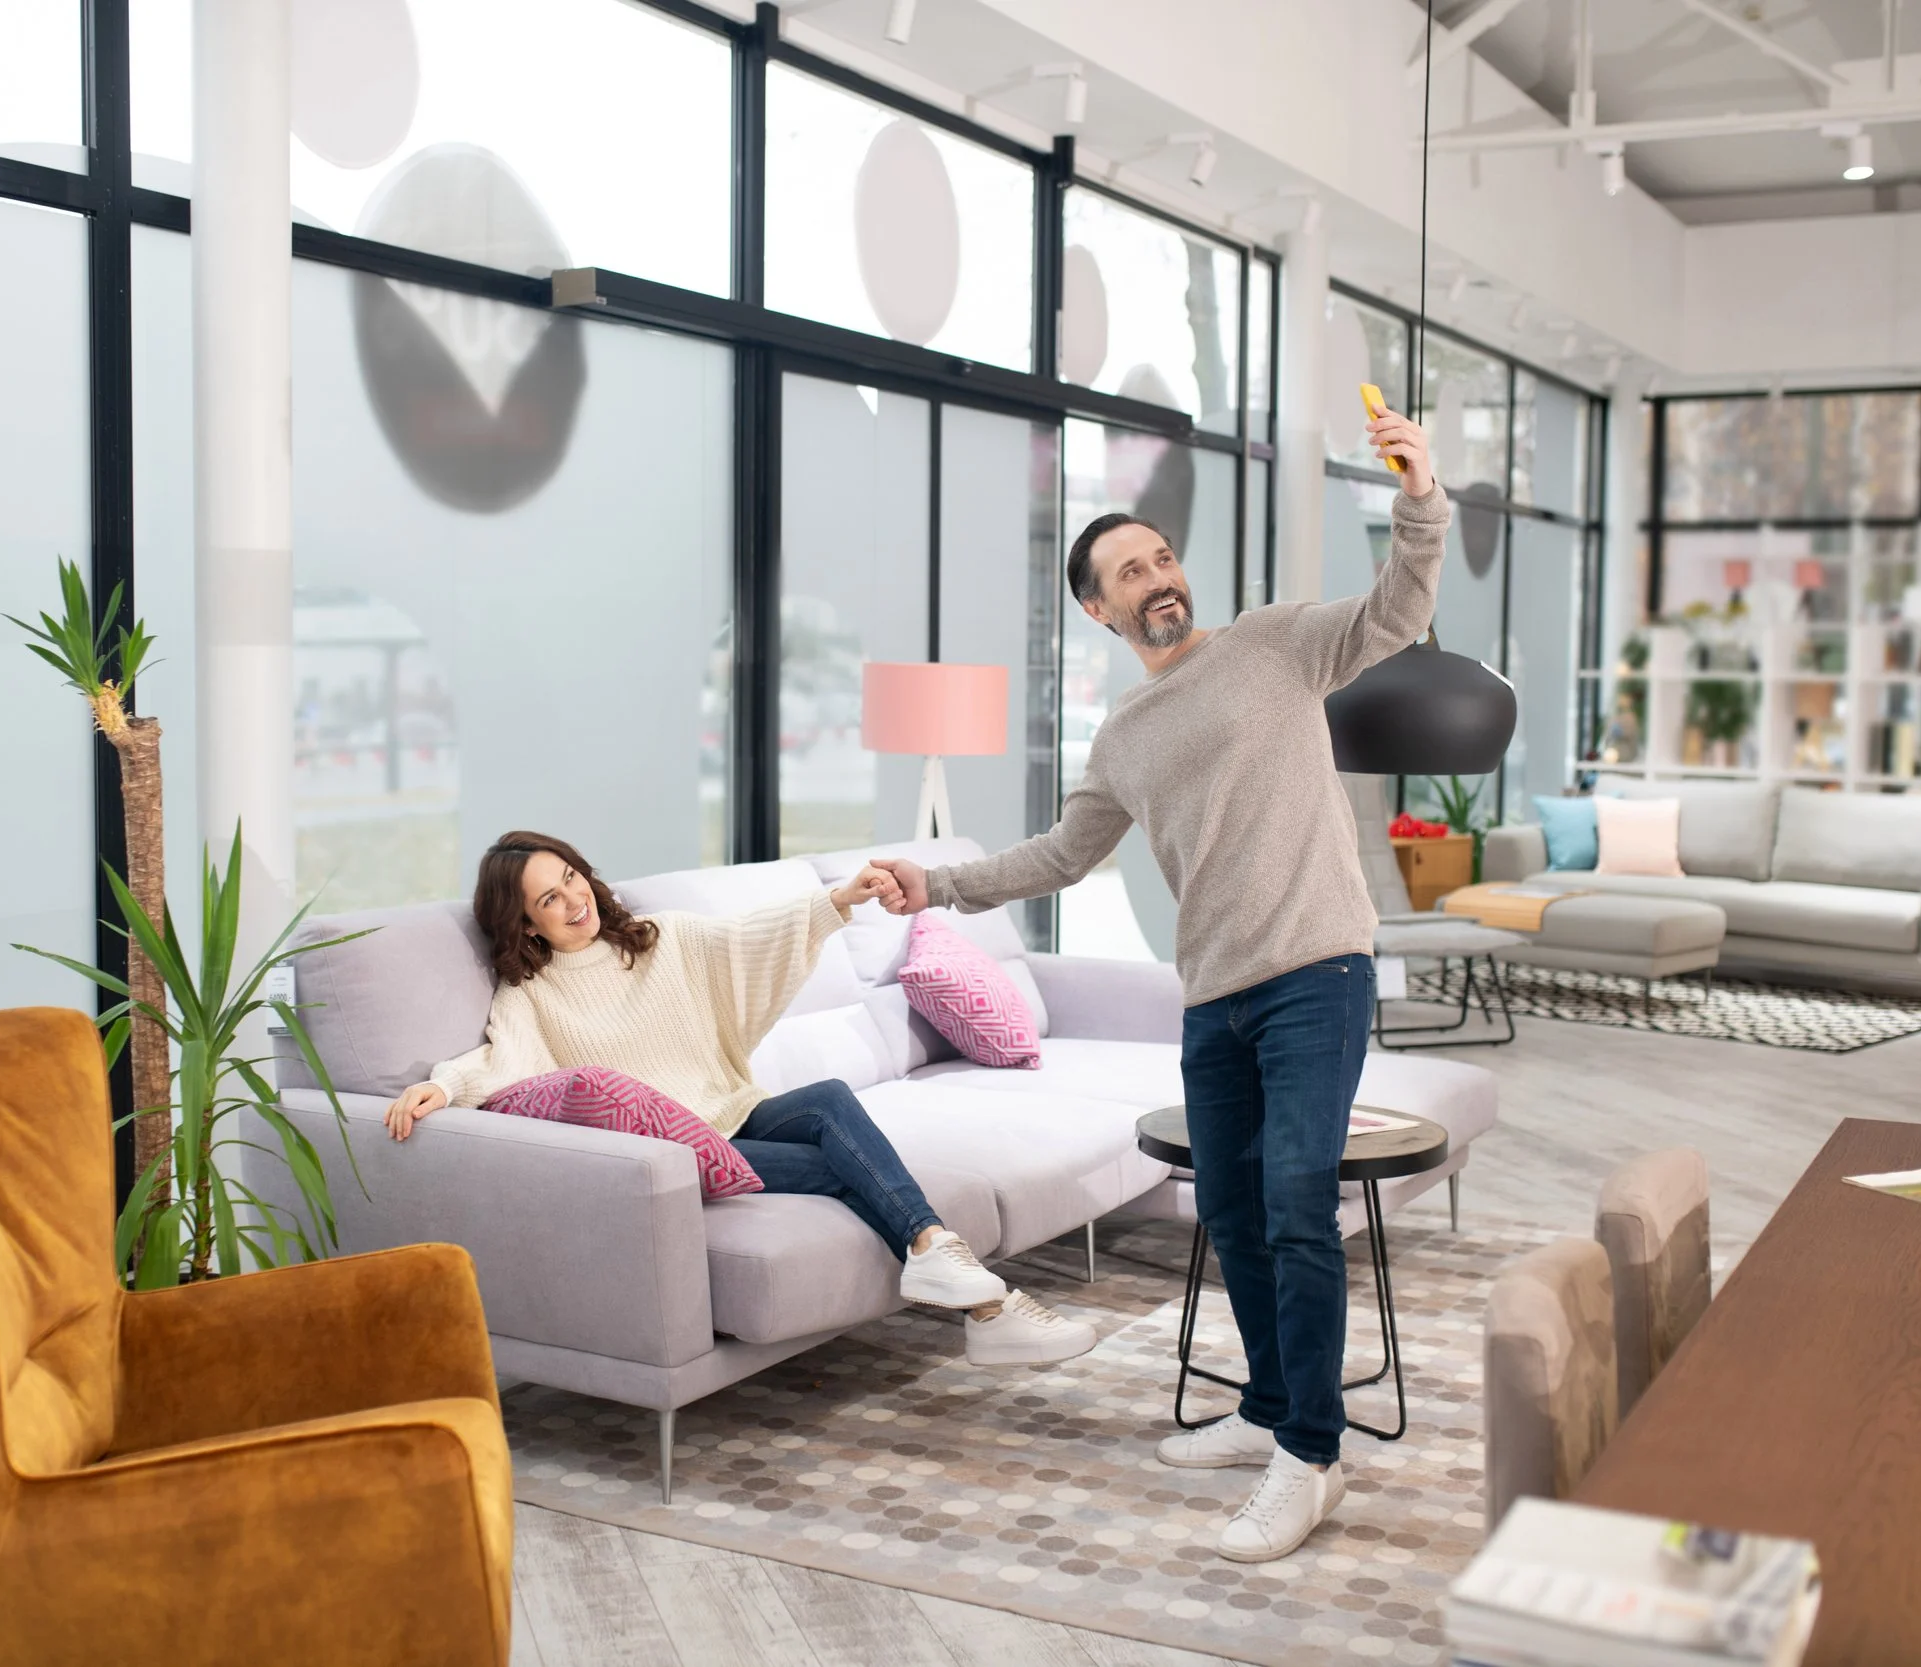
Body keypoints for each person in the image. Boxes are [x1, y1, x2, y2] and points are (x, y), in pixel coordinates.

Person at [877, 398, 1446, 1562]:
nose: (1156, 576)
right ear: (1099, 608)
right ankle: (1266, 1408)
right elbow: (1059, 855)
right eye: (1129, 572)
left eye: (1162, 555)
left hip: (1318, 972)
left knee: (1294, 1202)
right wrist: (933, 887)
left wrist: (1419, 493)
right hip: (1215, 995)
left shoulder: (1277, 643)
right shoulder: (1124, 735)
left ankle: (1311, 1456)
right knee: (1231, 1211)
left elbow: (1400, 604)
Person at [382, 830, 1098, 1368]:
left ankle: (940, 1255)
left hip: (733, 1109)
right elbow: (498, 1061)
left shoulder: (661, 940)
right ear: (526, 923)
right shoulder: (532, 995)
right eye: (549, 899)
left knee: (825, 1101)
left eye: (572, 879)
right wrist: (439, 1086)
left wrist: (838, 900)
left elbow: (754, 938)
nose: (574, 901)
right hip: (686, 1153)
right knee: (848, 1166)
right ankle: (988, 1305)